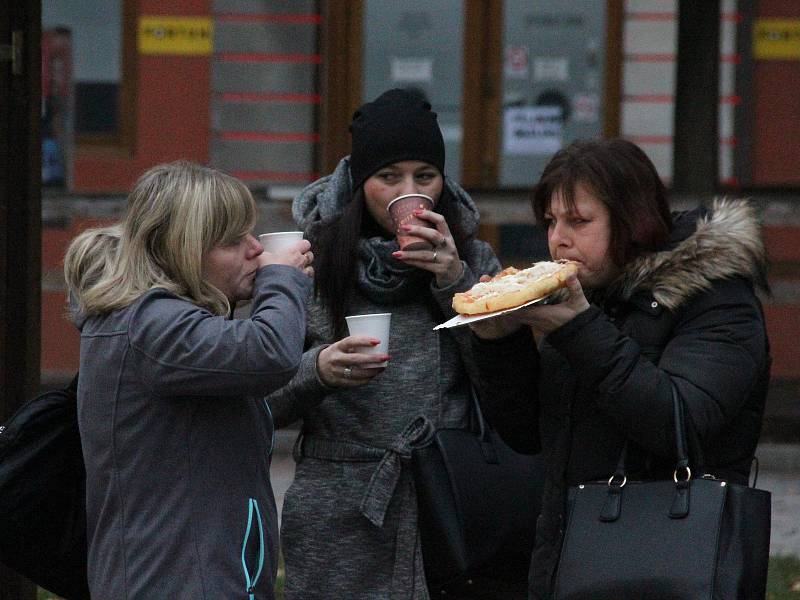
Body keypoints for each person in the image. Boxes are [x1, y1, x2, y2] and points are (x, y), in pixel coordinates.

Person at [468, 138, 772, 599]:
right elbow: (531, 434)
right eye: (551, 221)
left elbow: (680, 422)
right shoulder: (590, 299)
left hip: (674, 562)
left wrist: (578, 327)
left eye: (579, 221)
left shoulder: (716, 297)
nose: (557, 239)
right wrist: (497, 343)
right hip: (571, 565)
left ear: (632, 220)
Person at [266, 88, 518, 599]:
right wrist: (319, 370)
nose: (409, 191)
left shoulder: (474, 259)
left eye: (424, 176)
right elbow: (259, 399)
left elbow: (508, 386)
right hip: (337, 509)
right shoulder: (309, 263)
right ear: (360, 184)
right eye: (389, 177)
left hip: (450, 497)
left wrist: (456, 285)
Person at [63, 160, 314, 600]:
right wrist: (283, 278)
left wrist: (321, 373)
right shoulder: (153, 325)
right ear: (184, 248)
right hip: (176, 584)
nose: (256, 249)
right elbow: (270, 351)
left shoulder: (156, 322)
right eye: (233, 241)